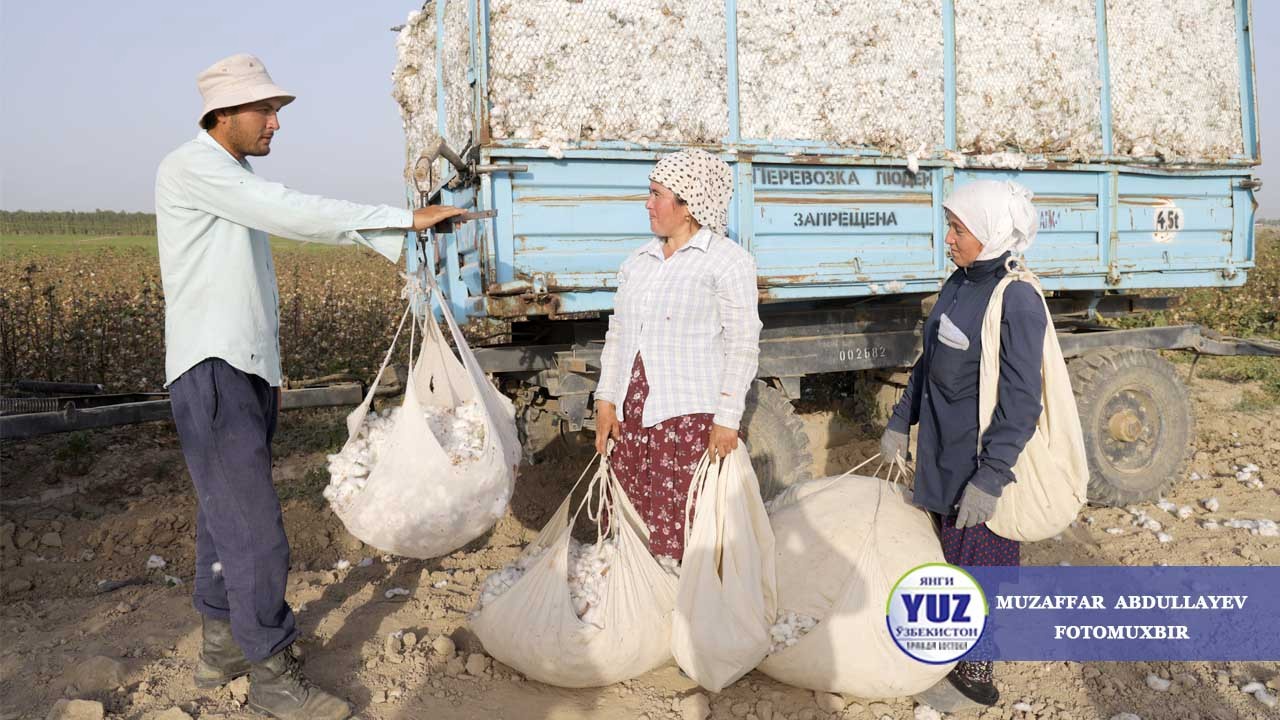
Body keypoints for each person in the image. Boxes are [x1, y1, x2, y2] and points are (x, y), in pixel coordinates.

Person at [156, 53, 463, 720]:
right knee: (256, 529)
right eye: (265, 110)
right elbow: (288, 209)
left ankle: (221, 647)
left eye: (276, 111)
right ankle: (271, 676)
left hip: (240, 368)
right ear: (223, 114)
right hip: (213, 369)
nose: (276, 123)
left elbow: (257, 268)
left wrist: (267, 375)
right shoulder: (193, 168)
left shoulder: (228, 175)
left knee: (223, 515)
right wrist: (402, 220)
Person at [879, 180, 1045, 706]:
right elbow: (930, 361)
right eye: (949, 226)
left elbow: (1022, 402)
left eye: (958, 229)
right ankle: (943, 651)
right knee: (946, 567)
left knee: (980, 570)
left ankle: (975, 674)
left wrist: (990, 478)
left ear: (991, 232)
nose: (948, 238)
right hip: (940, 454)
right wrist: (900, 421)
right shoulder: (959, 282)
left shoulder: (1015, 299)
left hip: (975, 466)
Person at [593, 149, 762, 562]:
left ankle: (689, 595)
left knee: (691, 527)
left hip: (689, 422)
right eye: (649, 193)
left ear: (688, 206)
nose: (647, 204)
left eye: (657, 194)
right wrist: (606, 399)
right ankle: (647, 591)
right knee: (636, 526)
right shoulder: (639, 262)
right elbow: (619, 335)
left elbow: (743, 343)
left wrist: (727, 419)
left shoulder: (727, 262)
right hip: (636, 418)